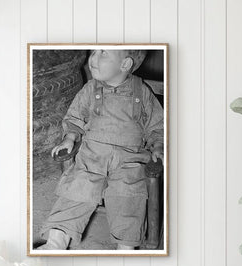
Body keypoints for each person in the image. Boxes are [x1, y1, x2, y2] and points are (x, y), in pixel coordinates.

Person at [38, 49, 164, 250]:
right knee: (77, 189)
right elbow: (75, 117)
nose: (93, 58)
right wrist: (70, 137)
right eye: (94, 51)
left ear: (125, 65)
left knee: (128, 197)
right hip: (92, 155)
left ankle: (126, 247)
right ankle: (56, 242)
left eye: (103, 54)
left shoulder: (143, 93)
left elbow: (157, 126)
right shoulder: (90, 89)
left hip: (129, 159)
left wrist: (158, 146)